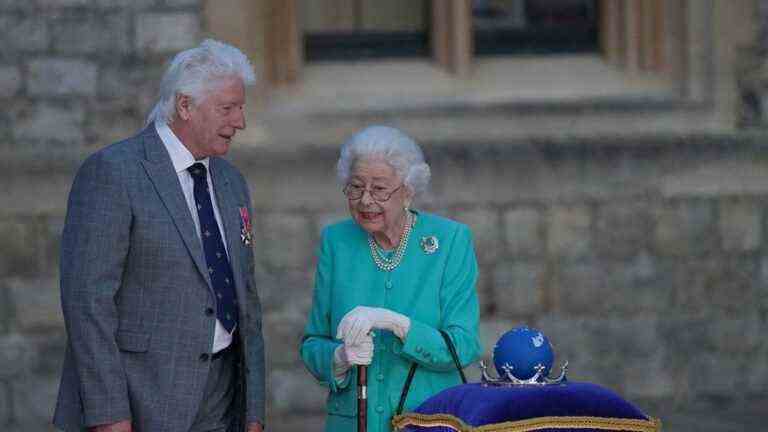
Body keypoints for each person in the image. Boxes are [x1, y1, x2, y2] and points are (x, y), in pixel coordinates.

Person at [53, 39, 265, 432]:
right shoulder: (112, 173)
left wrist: (252, 412)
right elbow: (87, 301)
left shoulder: (232, 181)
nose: (240, 122)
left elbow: (247, 301)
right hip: (141, 400)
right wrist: (108, 414)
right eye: (227, 109)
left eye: (241, 107)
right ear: (185, 106)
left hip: (222, 399)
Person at [300, 125, 482, 432]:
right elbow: (312, 342)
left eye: (380, 189)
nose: (365, 200)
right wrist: (340, 357)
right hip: (353, 423)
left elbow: (463, 346)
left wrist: (397, 324)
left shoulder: (450, 241)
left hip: (426, 422)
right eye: (355, 187)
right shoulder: (337, 242)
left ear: (408, 190)